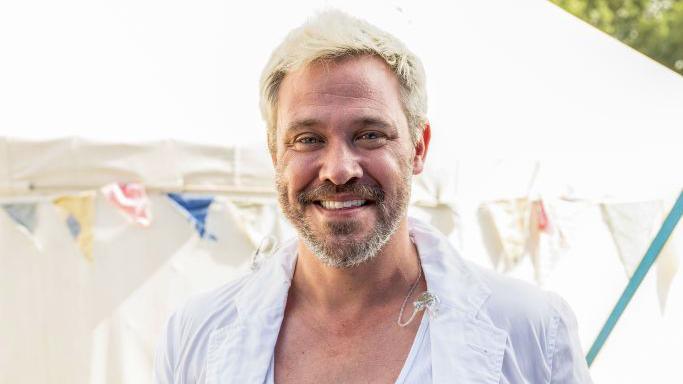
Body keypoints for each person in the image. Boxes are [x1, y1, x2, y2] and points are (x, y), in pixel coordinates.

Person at [154, 10, 593, 383]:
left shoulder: (533, 331)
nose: (339, 170)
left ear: (418, 147)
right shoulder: (196, 335)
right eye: (308, 139)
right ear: (275, 155)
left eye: (369, 135)